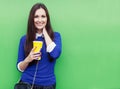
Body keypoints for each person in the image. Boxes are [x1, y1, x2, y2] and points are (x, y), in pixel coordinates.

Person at [16, 3, 62, 89]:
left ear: (47, 19)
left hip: (48, 85)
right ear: (32, 19)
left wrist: (45, 32)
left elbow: (55, 54)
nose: (40, 20)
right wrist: (28, 59)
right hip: (27, 83)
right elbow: (20, 68)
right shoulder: (24, 39)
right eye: (36, 16)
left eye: (43, 16)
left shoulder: (56, 36)